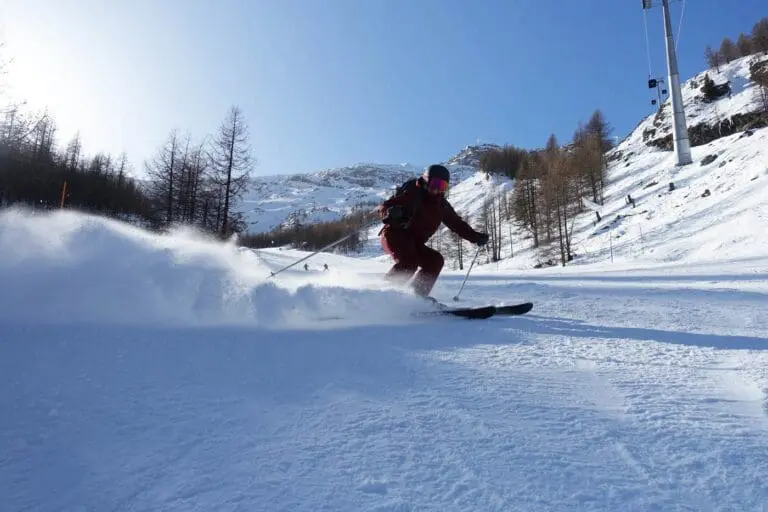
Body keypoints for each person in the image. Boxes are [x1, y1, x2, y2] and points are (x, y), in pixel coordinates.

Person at [378, 164, 489, 299]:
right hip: (395, 235)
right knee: (409, 262)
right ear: (426, 180)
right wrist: (390, 213)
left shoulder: (441, 205)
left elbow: (457, 224)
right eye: (435, 184)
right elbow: (385, 206)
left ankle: (416, 297)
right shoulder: (412, 192)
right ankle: (382, 296)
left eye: (442, 186)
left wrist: (475, 237)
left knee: (435, 260)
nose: (437, 189)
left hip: (414, 242)